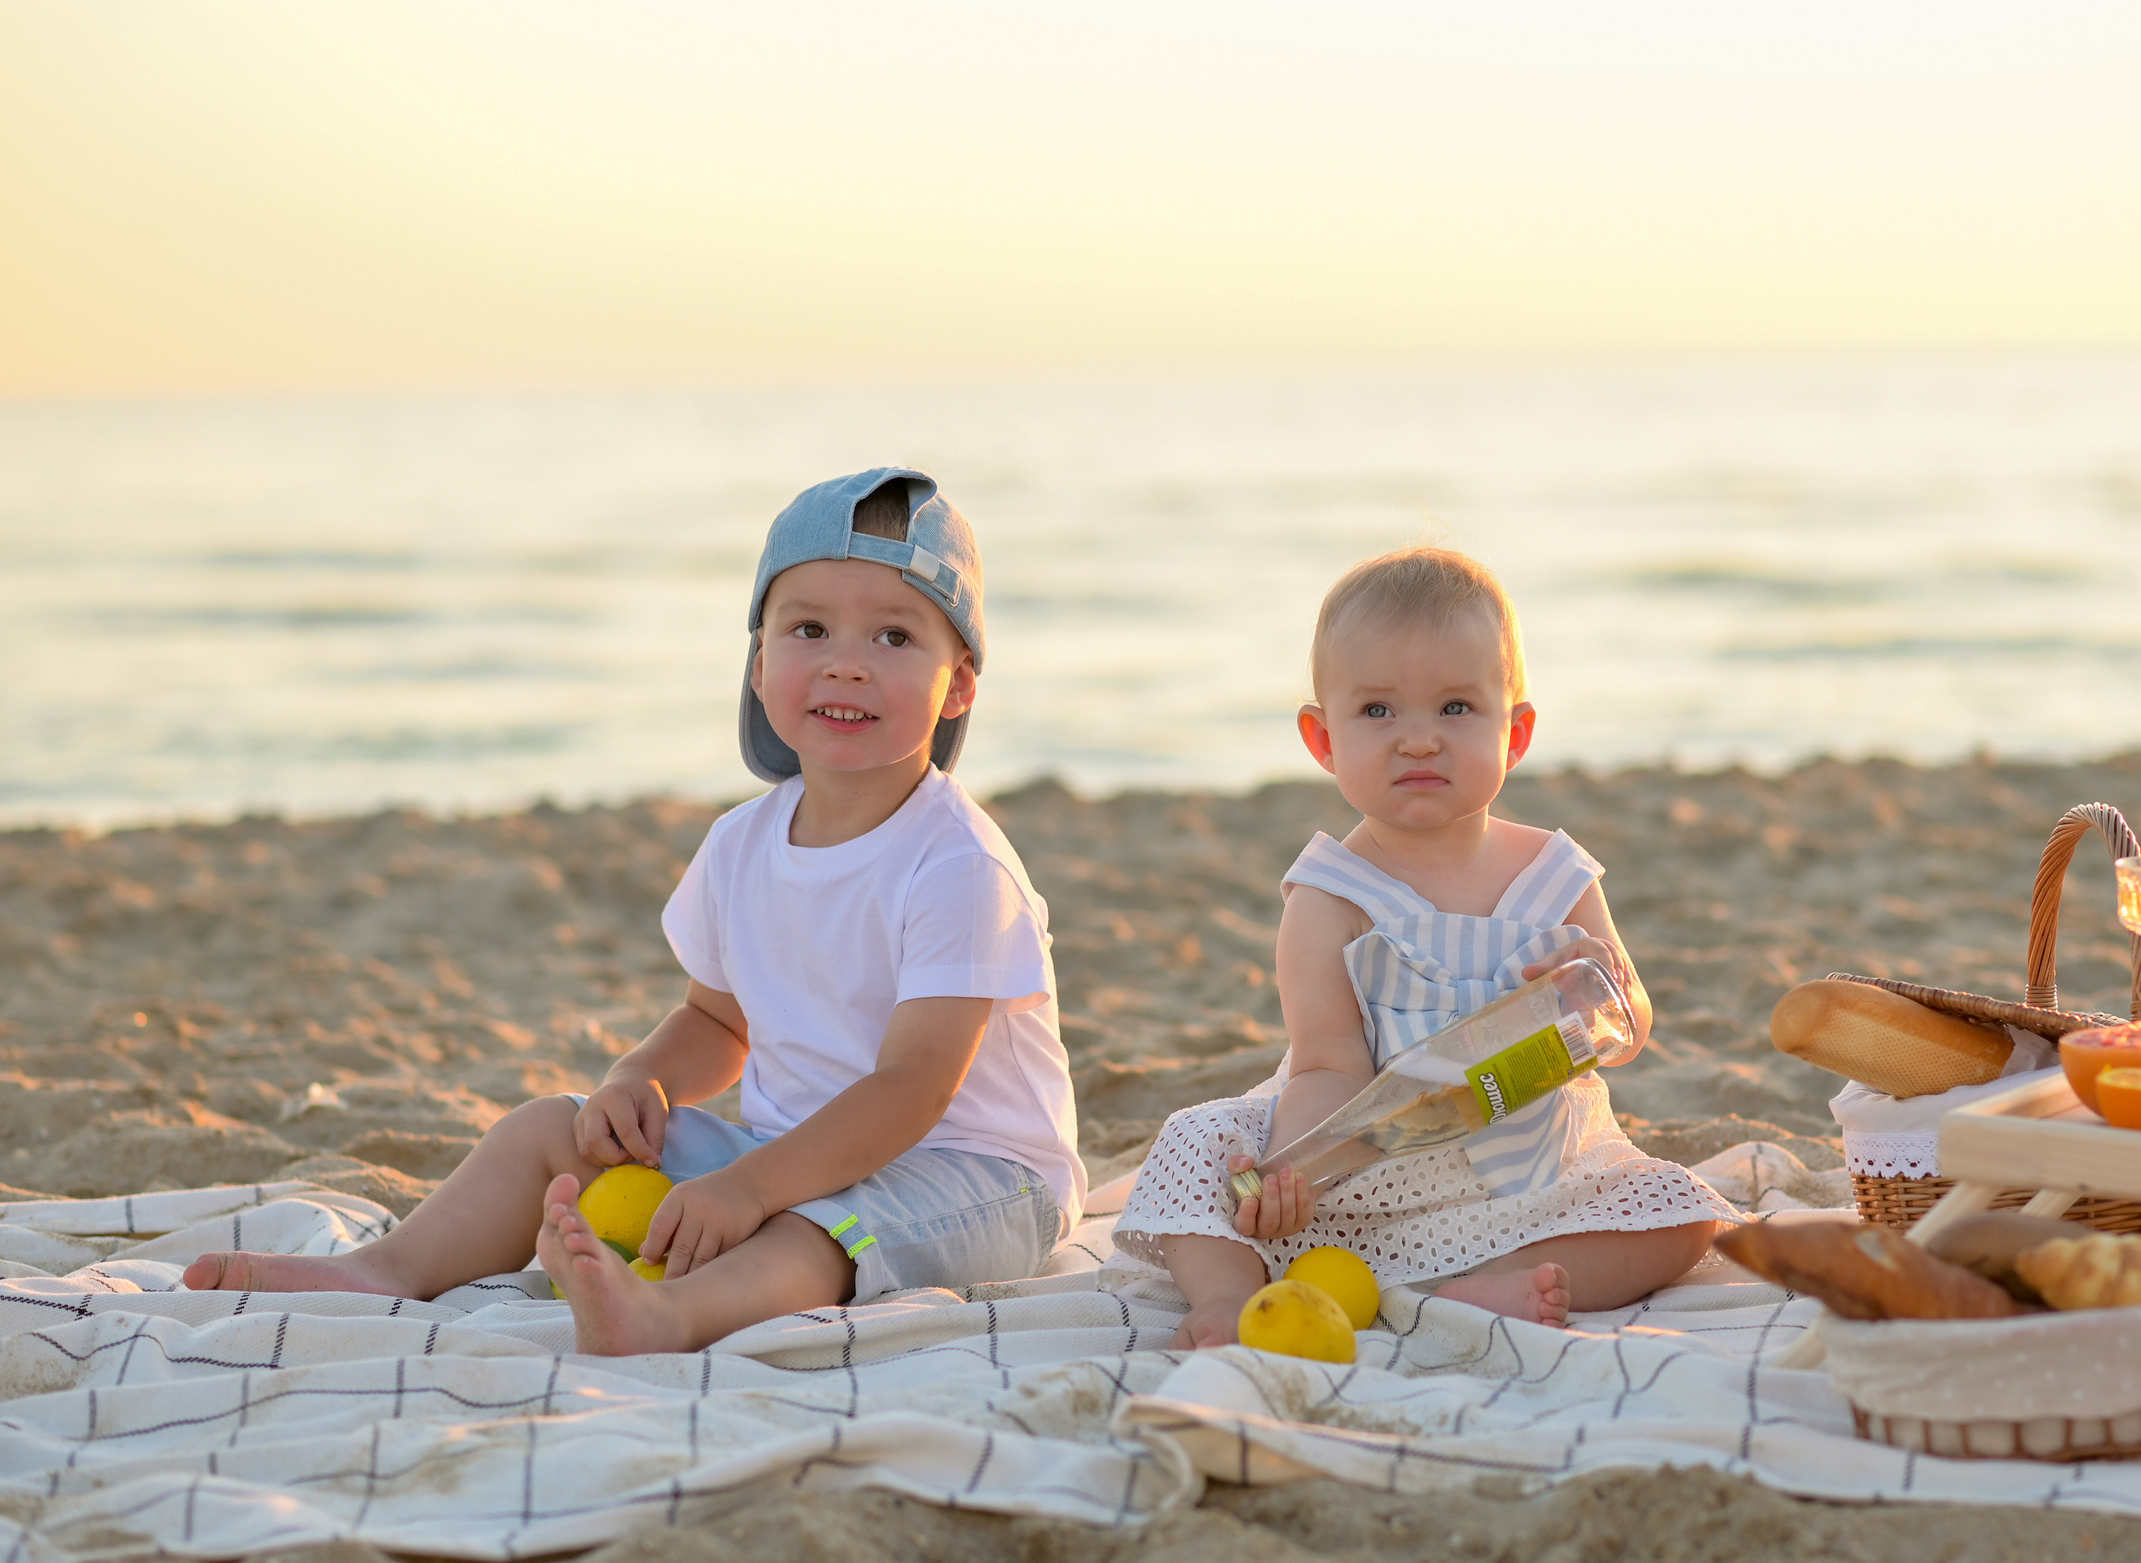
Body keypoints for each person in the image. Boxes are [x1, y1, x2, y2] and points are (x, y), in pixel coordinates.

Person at [184, 469, 1083, 1355]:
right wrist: (644, 1082)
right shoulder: (741, 844)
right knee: (550, 1128)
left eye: (894, 636)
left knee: (818, 1231)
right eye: (809, 627)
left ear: (959, 684)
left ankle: (666, 1319)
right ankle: (386, 1271)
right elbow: (715, 1018)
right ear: (761, 661)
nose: (847, 660)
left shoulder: (957, 863)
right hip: (789, 1149)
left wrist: (751, 1189)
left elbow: (913, 1087)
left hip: (975, 1175)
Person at [1109, 547, 1734, 1347]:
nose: (1417, 741)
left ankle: (1465, 1288)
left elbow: (1627, 1024)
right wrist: (1299, 1174)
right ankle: (1229, 1299)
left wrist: (1599, 986)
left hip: (1530, 1163)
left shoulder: (1556, 874)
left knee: (1679, 1219)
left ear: (1517, 732)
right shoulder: (1331, 897)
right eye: (1377, 712)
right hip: (1371, 1158)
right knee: (1199, 1147)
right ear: (1322, 738)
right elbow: (1327, 1061)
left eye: (1455, 708)